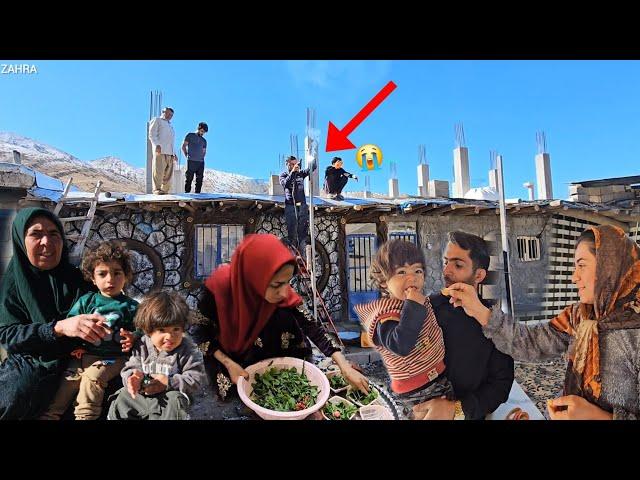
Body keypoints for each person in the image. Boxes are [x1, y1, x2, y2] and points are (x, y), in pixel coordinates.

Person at [448, 225, 640, 420]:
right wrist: (480, 311)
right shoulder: (579, 316)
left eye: (582, 265)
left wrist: (601, 417)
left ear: (610, 267)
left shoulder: (635, 334)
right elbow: (532, 342)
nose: (575, 277)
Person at [189, 233, 370, 404]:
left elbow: (312, 328)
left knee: (284, 315)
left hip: (274, 359)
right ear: (254, 278)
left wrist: (344, 366)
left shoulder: (282, 295)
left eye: (287, 283)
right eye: (276, 284)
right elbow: (200, 333)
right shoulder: (219, 289)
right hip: (231, 362)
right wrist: (228, 364)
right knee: (241, 402)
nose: (284, 292)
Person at [0, 208, 111, 420]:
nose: (46, 242)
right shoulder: (13, 284)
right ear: (21, 241)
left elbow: (105, 310)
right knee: (13, 394)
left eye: (53, 234)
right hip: (33, 361)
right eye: (36, 234)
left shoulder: (78, 279)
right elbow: (8, 335)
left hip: (81, 358)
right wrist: (58, 328)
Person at [354, 239, 457, 420]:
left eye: (417, 271)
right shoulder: (387, 315)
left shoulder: (417, 300)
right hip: (416, 390)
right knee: (444, 410)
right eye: (401, 272)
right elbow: (400, 344)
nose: (412, 277)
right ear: (384, 282)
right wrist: (413, 306)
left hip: (438, 378)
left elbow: (432, 303)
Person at [40, 240, 140, 420]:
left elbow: (144, 330)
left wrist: (133, 337)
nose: (110, 279)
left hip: (114, 357)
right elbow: (71, 326)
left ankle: (86, 416)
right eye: (102, 274)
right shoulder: (87, 301)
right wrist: (76, 345)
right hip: (84, 355)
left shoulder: (131, 306)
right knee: (68, 381)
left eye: (117, 273)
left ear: (126, 276)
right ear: (93, 278)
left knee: (93, 378)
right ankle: (51, 415)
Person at [421, 231, 514, 420]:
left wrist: (458, 410)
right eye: (446, 262)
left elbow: (501, 384)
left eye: (457, 265)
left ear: (479, 275)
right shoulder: (427, 308)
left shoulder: (495, 323)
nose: (446, 271)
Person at [108, 290, 206, 420]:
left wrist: (169, 382)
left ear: (183, 328)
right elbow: (131, 367)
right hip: (143, 395)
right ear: (148, 330)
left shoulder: (187, 349)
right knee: (122, 397)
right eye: (161, 330)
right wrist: (134, 378)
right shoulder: (142, 345)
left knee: (175, 400)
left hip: (168, 401)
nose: (169, 336)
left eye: (176, 329)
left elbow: (196, 378)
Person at [279, 155, 317, 253]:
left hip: (302, 206)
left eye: (296, 164)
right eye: (292, 164)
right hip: (291, 206)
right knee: (292, 232)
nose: (294, 166)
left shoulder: (300, 174)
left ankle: (302, 254)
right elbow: (286, 184)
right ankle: (292, 254)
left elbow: (312, 168)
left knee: (302, 232)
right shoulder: (283, 175)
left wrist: (312, 158)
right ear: (287, 164)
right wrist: (292, 172)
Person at [148, 106, 177, 195]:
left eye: (171, 115)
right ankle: (156, 189)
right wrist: (156, 145)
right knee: (158, 171)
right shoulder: (157, 120)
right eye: (168, 113)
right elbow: (152, 134)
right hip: (160, 150)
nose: (169, 116)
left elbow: (171, 140)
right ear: (163, 112)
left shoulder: (170, 126)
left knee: (169, 173)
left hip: (170, 152)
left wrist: (174, 153)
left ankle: (165, 190)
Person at [182, 122, 208, 193]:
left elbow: (204, 151)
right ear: (198, 129)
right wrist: (186, 155)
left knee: (199, 179)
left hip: (200, 162)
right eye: (202, 131)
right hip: (191, 160)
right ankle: (187, 194)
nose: (203, 133)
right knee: (189, 178)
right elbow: (183, 146)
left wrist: (202, 158)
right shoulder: (190, 135)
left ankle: (198, 195)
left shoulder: (204, 141)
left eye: (204, 132)